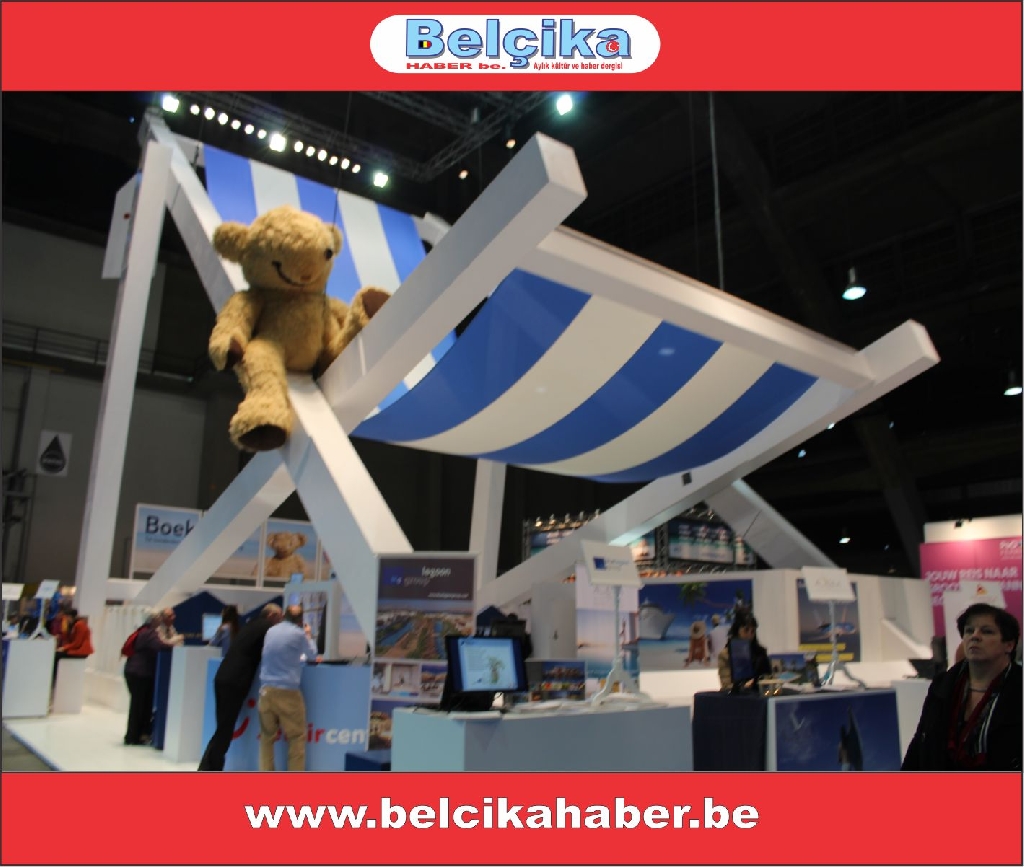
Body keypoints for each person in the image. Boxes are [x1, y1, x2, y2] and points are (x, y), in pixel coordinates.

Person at [902, 603, 1021, 771]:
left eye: (987, 631)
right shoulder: (942, 685)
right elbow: (921, 743)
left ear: (1009, 645)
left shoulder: (1018, 687)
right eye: (969, 631)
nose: (975, 636)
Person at [198, 603, 283, 771]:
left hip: (223, 676)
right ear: (272, 616)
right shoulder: (267, 628)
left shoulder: (250, 625)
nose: (280, 622)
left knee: (223, 727)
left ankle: (208, 767)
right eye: (279, 618)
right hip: (236, 681)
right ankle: (210, 769)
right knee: (225, 729)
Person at [257, 604, 320, 772]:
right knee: (296, 737)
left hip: (266, 691)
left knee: (267, 738)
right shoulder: (299, 634)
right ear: (300, 620)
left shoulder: (271, 631)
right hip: (288, 692)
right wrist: (308, 634)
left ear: (284, 615)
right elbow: (312, 655)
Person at [123, 613, 176, 745]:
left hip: (134, 671)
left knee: (139, 705)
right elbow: (160, 646)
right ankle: (132, 737)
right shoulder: (150, 633)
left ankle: (137, 735)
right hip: (141, 673)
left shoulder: (142, 631)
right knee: (138, 706)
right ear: (154, 621)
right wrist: (174, 643)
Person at [717, 610, 771, 691]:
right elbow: (726, 685)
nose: (750, 635)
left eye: (752, 631)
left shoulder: (761, 653)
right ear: (737, 631)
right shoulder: (725, 655)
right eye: (746, 630)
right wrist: (743, 686)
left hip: (758, 694)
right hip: (735, 696)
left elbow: (768, 677)